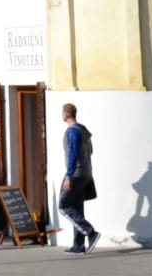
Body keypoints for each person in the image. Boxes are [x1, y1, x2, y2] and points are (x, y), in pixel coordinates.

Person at [59, 103, 100, 255]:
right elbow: (91, 151)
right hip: (86, 172)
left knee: (64, 206)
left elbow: (72, 154)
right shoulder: (83, 131)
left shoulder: (72, 132)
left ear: (66, 114)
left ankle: (91, 233)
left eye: (62, 112)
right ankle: (78, 245)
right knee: (76, 208)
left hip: (75, 173)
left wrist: (69, 176)